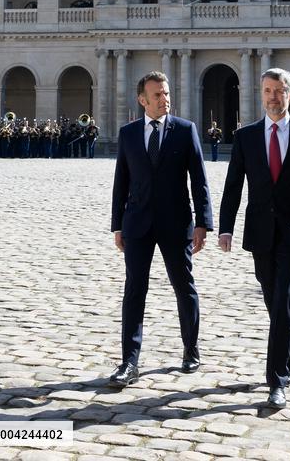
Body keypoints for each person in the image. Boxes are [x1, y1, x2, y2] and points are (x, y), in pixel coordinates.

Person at [218, 67, 290, 410]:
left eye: (279, 91)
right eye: (267, 90)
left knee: (283, 299)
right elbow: (233, 186)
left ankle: (277, 380)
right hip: (259, 232)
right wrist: (225, 227)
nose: (273, 97)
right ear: (261, 94)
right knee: (273, 300)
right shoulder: (246, 136)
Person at [109, 71, 213, 388]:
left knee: (184, 288)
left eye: (166, 93)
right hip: (137, 224)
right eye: (157, 95)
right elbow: (121, 182)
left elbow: (199, 180)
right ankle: (129, 361)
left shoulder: (185, 130)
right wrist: (117, 225)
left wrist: (203, 223)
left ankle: (190, 349)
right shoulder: (128, 133)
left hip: (175, 223)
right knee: (134, 291)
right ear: (143, 100)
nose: (164, 99)